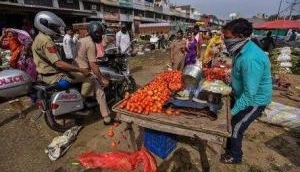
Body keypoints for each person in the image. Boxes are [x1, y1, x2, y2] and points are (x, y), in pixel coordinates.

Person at [32, 11, 113, 125]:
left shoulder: (38, 38)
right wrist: (97, 76)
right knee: (92, 80)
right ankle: (87, 102)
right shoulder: (47, 41)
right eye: (54, 27)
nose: (56, 30)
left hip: (46, 74)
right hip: (56, 75)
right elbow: (59, 63)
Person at [221, 18, 272, 164]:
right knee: (232, 122)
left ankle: (235, 156)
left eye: (228, 37)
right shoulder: (241, 49)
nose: (225, 40)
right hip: (242, 94)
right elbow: (239, 74)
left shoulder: (251, 58)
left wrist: (231, 112)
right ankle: (230, 146)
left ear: (241, 37)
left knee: (237, 125)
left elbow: (250, 94)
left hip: (255, 100)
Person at [75, 21, 113, 124]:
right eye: (98, 33)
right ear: (94, 32)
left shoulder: (81, 40)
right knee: (100, 92)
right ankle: (107, 118)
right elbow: (93, 65)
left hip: (75, 69)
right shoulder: (91, 43)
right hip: (84, 71)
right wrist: (102, 79)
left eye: (100, 33)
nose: (100, 35)